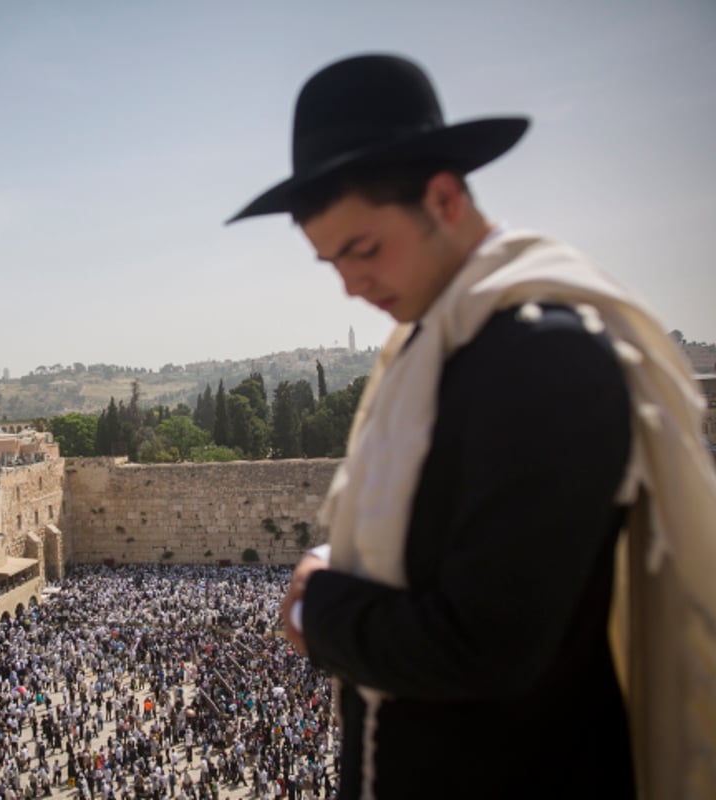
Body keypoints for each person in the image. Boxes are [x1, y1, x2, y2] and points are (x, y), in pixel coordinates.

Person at [228, 54, 716, 798]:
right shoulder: (439, 349)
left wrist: (320, 604)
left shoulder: (542, 357)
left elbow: (488, 645)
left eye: (363, 250)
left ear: (445, 198)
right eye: (330, 263)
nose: (351, 286)